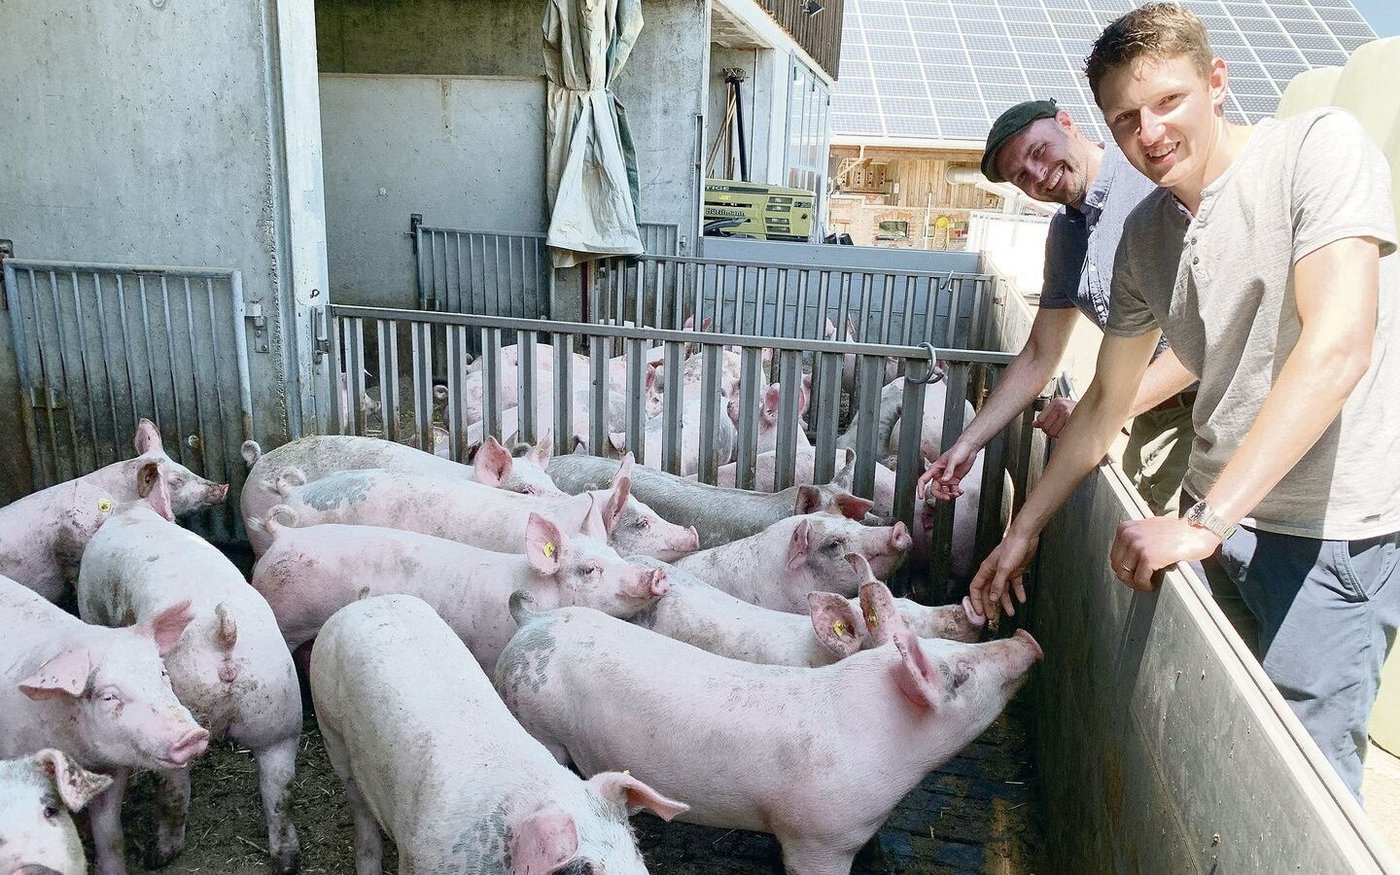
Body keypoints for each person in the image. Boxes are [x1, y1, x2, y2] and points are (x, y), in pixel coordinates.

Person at [970, 2, 1400, 799]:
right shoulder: (1148, 235)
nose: (1151, 132)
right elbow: (1106, 400)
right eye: (1127, 117)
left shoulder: (1317, 151)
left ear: (1217, 81)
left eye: (1168, 101)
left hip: (1326, 531)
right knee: (1216, 769)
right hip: (1216, 522)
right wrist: (1023, 529)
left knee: (1299, 789)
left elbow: (1337, 347)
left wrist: (1205, 521)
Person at [916, 99, 1197, 517]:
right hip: (1149, 413)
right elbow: (1039, 353)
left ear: (1068, 123)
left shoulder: (1151, 185)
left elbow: (1201, 344)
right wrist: (968, 443)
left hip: (1213, 408)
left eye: (1037, 152)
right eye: (1020, 178)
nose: (1037, 176)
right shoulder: (1066, 233)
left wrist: (1089, 411)